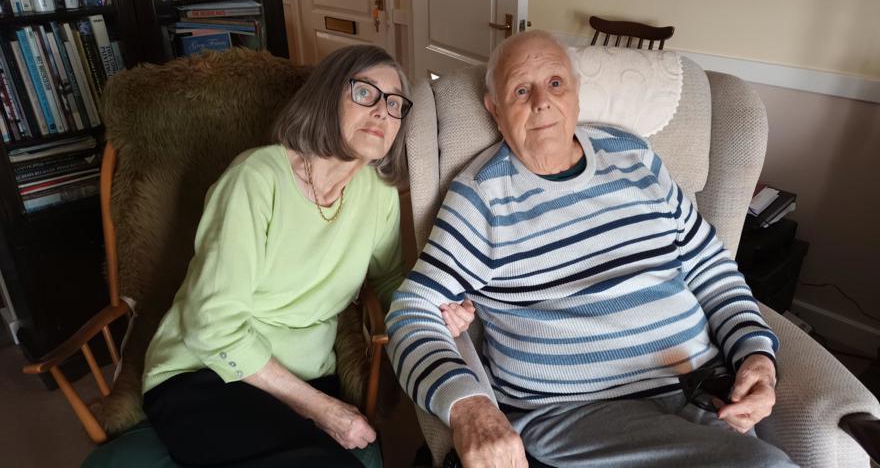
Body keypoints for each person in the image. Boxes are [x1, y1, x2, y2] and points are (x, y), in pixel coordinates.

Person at [386, 30, 796, 468]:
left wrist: (756, 354)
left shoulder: (635, 159)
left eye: (556, 84)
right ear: (496, 111)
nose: (542, 101)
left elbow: (713, 270)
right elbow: (412, 311)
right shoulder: (482, 198)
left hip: (699, 396)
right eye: (521, 90)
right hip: (573, 418)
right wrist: (469, 407)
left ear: (577, 95)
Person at [140, 45, 470, 467]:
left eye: (394, 104)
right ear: (326, 95)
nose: (383, 113)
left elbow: (388, 282)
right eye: (365, 93)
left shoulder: (378, 193)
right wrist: (318, 407)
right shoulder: (256, 179)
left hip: (306, 374)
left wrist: (430, 309)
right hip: (205, 374)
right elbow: (211, 326)